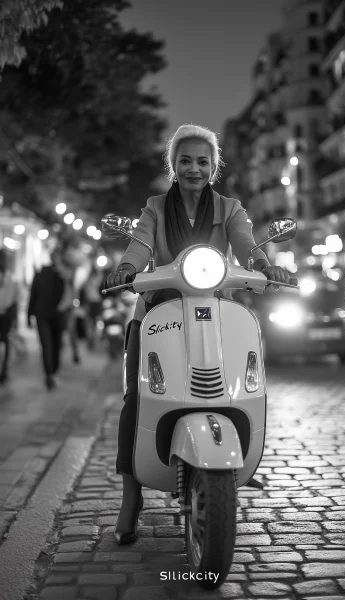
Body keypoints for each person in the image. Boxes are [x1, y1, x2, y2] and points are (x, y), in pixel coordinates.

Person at [105, 124, 291, 545]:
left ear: (213, 167)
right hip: (157, 313)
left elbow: (246, 243)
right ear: (173, 165)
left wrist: (264, 266)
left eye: (202, 161)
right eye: (185, 160)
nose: (193, 168)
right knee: (137, 397)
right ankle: (131, 494)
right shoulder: (155, 207)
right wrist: (128, 268)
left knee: (241, 385)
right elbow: (140, 244)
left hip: (214, 311)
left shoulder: (229, 208)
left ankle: (227, 461)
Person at [27, 242, 82, 389]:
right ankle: (49, 375)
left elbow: (70, 277)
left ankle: (53, 372)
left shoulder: (65, 273)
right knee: (47, 345)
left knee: (57, 344)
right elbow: (33, 294)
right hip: (43, 314)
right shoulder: (42, 272)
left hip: (59, 313)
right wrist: (29, 315)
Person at [0, 249, 19, 384]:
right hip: (6, 313)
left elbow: (12, 298)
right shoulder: (10, 276)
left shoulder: (10, 277)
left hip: (6, 314)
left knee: (5, 341)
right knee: (5, 341)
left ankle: (4, 369)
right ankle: (4, 369)